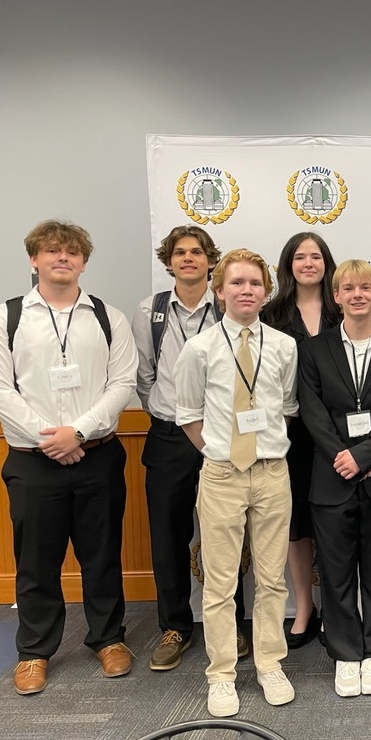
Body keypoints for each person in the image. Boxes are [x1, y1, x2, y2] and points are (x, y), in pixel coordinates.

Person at [0, 220, 138, 695]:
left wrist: (79, 432)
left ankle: (108, 639)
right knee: (35, 560)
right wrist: (50, 438)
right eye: (51, 251)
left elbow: (123, 383)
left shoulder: (108, 317)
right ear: (34, 260)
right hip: (33, 460)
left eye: (71, 252)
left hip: (98, 455)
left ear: (83, 262)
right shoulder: (4, 318)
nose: (62, 258)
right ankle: (34, 652)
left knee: (102, 554)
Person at [174, 248, 298, 717]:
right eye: (236, 283)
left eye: (254, 283)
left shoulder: (284, 346)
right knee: (221, 582)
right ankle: (222, 674)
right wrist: (215, 455)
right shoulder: (200, 348)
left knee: (271, 578)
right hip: (223, 474)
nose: (246, 290)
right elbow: (188, 413)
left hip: (270, 472)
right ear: (219, 289)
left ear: (266, 292)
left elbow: (287, 405)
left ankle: (270, 663)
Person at [132, 225, 253, 671]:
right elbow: (143, 376)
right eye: (180, 253)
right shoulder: (150, 311)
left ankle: (232, 624)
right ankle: (175, 626)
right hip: (169, 438)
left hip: (223, 436)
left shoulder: (228, 306)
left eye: (197, 252)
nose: (188, 259)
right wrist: (174, 416)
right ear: (169, 261)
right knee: (168, 535)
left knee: (227, 534)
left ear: (210, 261)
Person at [298, 259, 371, 698]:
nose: (358, 295)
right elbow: (313, 413)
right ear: (337, 296)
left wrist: (364, 455)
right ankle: (347, 653)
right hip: (331, 479)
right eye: (348, 288)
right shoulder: (313, 350)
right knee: (336, 570)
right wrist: (344, 458)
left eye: (366, 287)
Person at [261, 232, 340, 650]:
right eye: (300, 256)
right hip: (287, 435)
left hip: (337, 435)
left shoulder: (342, 309)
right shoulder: (271, 313)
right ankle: (304, 607)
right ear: (288, 263)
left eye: (316, 256)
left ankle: (334, 608)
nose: (308, 263)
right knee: (295, 527)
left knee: (332, 523)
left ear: (326, 263)